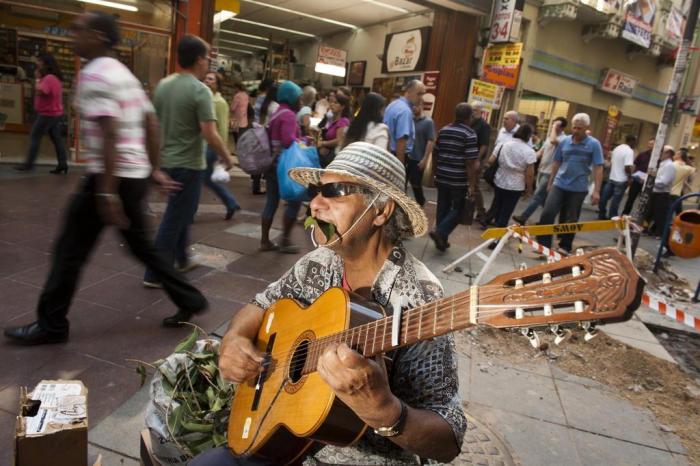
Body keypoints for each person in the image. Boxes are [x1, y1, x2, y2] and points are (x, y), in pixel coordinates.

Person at [191, 142, 466, 466]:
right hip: (283, 431)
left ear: (380, 211)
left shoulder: (421, 297)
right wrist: (235, 340)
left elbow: (449, 439)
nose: (315, 205)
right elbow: (261, 304)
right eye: (316, 191)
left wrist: (386, 412)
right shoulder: (320, 261)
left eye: (334, 192)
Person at [3, 12, 208, 345]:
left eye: (78, 30)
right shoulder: (123, 73)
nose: (73, 36)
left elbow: (111, 131)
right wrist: (152, 168)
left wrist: (106, 193)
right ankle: (191, 299)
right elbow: (150, 123)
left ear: (98, 35)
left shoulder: (95, 75)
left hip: (108, 177)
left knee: (70, 249)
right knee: (142, 247)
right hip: (132, 175)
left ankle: (52, 324)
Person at [142, 35, 233, 287]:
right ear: (198, 60)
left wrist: (155, 165)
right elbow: (209, 132)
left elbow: (153, 127)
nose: (208, 64)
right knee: (174, 218)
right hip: (189, 165)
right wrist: (227, 157)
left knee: (182, 212)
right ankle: (155, 273)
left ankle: (181, 259)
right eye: (207, 58)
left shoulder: (164, 85)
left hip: (167, 162)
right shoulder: (199, 90)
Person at [536, 113, 603, 254]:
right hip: (559, 184)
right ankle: (544, 244)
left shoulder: (594, 144)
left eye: (579, 128)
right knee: (547, 213)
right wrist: (550, 182)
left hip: (578, 187)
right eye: (574, 127)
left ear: (587, 128)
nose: (576, 131)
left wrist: (597, 190)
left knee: (571, 219)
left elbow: (598, 167)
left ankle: (565, 246)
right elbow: (556, 162)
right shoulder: (565, 142)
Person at [259, 80, 303, 254]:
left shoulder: (277, 112)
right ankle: (285, 240)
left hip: (271, 165)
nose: (301, 101)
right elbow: (287, 140)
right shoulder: (289, 115)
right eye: (299, 97)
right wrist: (303, 141)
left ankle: (264, 241)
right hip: (283, 166)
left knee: (271, 202)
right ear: (291, 97)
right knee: (295, 200)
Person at [430, 103, 479, 251]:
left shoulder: (444, 130)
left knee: (442, 208)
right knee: (458, 210)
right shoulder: (469, 134)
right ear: (469, 117)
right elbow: (471, 162)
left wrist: (434, 173)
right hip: (458, 179)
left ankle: (442, 241)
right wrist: (471, 185)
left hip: (442, 175)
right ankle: (440, 232)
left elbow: (435, 153)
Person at [15, 53, 69, 173]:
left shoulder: (49, 78)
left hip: (47, 114)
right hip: (54, 113)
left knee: (34, 136)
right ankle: (63, 164)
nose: (37, 64)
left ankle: (28, 165)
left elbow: (41, 91)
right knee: (57, 139)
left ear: (45, 63)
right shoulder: (56, 78)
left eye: (39, 61)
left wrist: (38, 78)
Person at [513, 117, 567, 224]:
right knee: (544, 199)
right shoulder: (550, 137)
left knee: (537, 195)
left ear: (562, 127)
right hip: (542, 170)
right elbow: (541, 151)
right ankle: (546, 221)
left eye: (556, 124)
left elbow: (553, 141)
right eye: (554, 124)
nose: (554, 126)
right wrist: (530, 160)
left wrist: (554, 127)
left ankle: (524, 217)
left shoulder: (564, 139)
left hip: (550, 172)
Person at [203, 71, 241, 220]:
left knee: (197, 179)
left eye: (211, 79)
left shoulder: (219, 103)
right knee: (206, 178)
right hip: (203, 144)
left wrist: (222, 151)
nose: (207, 81)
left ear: (217, 85)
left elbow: (223, 128)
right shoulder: (205, 98)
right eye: (206, 78)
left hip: (210, 146)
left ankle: (188, 212)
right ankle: (230, 202)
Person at [484, 125, 536, 230]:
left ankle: (494, 229)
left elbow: (490, 160)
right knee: (506, 211)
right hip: (516, 184)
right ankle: (498, 237)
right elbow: (529, 174)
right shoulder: (530, 152)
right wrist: (529, 189)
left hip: (500, 179)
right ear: (529, 136)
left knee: (497, 205)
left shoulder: (503, 145)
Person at [383, 79, 425, 163]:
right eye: (419, 94)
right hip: (396, 157)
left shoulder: (393, 104)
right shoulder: (405, 111)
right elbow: (401, 142)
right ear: (409, 91)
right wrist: (400, 168)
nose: (421, 98)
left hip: (386, 153)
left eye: (423, 94)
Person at [598, 135, 636, 220]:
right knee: (616, 200)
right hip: (622, 179)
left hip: (612, 177)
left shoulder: (617, 148)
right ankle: (612, 216)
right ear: (632, 141)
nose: (635, 144)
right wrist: (630, 177)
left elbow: (612, 162)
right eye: (634, 142)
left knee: (604, 197)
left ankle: (601, 213)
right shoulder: (629, 151)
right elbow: (627, 167)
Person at [407, 100, 435, 207]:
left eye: (416, 105)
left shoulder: (428, 122)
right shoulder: (409, 120)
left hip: (418, 158)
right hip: (407, 155)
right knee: (402, 181)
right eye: (412, 106)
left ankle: (420, 202)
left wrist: (425, 159)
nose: (414, 108)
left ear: (422, 106)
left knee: (416, 183)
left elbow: (430, 140)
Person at [644, 145, 677, 237]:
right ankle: (639, 232)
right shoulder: (662, 164)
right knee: (646, 215)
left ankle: (668, 244)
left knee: (661, 220)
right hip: (655, 194)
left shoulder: (669, 165)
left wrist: (650, 180)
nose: (659, 153)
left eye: (662, 151)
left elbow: (663, 182)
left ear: (668, 153)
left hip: (661, 195)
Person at [469, 102, 492, 222]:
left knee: (475, 185)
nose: (473, 112)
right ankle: (471, 209)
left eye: (475, 110)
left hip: (476, 159)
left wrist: (478, 159)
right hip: (468, 158)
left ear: (481, 112)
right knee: (469, 184)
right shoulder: (469, 122)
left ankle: (481, 211)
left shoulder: (484, 126)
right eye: (472, 110)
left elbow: (484, 145)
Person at [318, 92, 351, 167]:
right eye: (331, 102)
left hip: (333, 159)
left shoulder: (343, 121)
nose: (332, 104)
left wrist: (323, 143)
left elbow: (339, 140)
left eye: (336, 103)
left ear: (342, 107)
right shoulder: (332, 120)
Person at [622, 138, 654, 215]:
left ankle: (640, 217)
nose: (650, 146)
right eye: (649, 144)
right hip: (637, 180)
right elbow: (634, 165)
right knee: (631, 199)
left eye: (652, 144)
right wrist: (632, 176)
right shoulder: (642, 154)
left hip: (648, 182)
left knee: (645, 201)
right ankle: (625, 214)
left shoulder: (657, 157)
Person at [670, 149, 696, 214]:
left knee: (668, 211)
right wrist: (687, 160)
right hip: (676, 193)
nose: (674, 155)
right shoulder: (687, 168)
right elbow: (693, 172)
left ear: (679, 156)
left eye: (676, 154)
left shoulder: (670, 164)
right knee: (677, 212)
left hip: (665, 191)